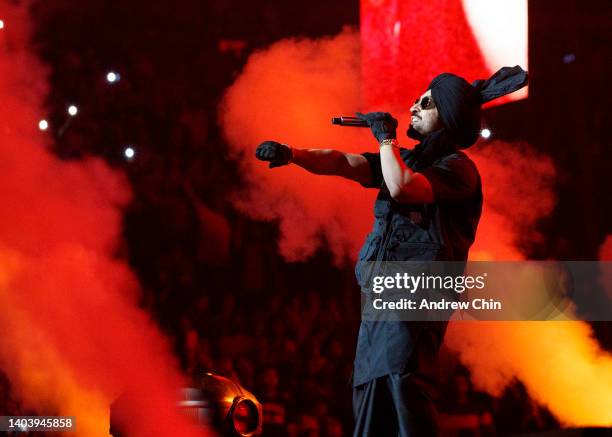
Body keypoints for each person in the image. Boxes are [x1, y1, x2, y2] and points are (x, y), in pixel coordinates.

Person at [255, 66, 528, 436]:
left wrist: (387, 139)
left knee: (403, 386)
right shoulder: (404, 162)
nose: (415, 104)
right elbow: (341, 162)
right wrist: (292, 154)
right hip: (382, 299)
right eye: (419, 97)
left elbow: (403, 189)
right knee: (371, 390)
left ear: (446, 118)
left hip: (415, 299)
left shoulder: (457, 168)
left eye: (427, 102)